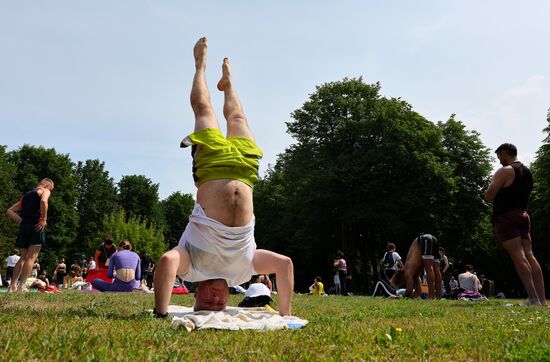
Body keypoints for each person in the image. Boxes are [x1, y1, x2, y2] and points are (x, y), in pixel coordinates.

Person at [153, 37, 294, 317]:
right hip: (245, 171)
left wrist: (161, 311)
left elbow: (167, 261)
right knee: (238, 118)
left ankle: (200, 65)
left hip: (212, 168)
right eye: (220, 306)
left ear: (195, 296)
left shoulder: (191, 267)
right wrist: (285, 314)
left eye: (206, 305)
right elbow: (285, 264)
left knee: (203, 108)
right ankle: (228, 84)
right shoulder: (242, 273)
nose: (217, 302)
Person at [484, 143, 546, 306]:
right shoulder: (528, 173)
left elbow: (489, 195)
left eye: (499, 156)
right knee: (530, 255)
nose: (499, 161)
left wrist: (489, 186)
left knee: (518, 256)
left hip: (506, 216)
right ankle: (541, 300)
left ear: (504, 153)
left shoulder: (505, 171)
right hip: (523, 215)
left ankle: (533, 299)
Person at [6, 178, 54, 292]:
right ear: (47, 185)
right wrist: (44, 219)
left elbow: (10, 211)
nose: (51, 191)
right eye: (51, 189)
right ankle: (22, 286)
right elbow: (43, 202)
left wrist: (22, 221)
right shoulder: (45, 190)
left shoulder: (26, 196)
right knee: (31, 257)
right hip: (36, 226)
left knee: (22, 257)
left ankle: (12, 285)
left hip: (25, 227)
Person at [403, 233, 442, 299]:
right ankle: (438, 296)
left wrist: (403, 297)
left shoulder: (407, 271)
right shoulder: (415, 274)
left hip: (424, 239)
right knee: (436, 269)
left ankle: (431, 296)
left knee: (429, 268)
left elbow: (409, 290)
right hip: (433, 239)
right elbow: (418, 291)